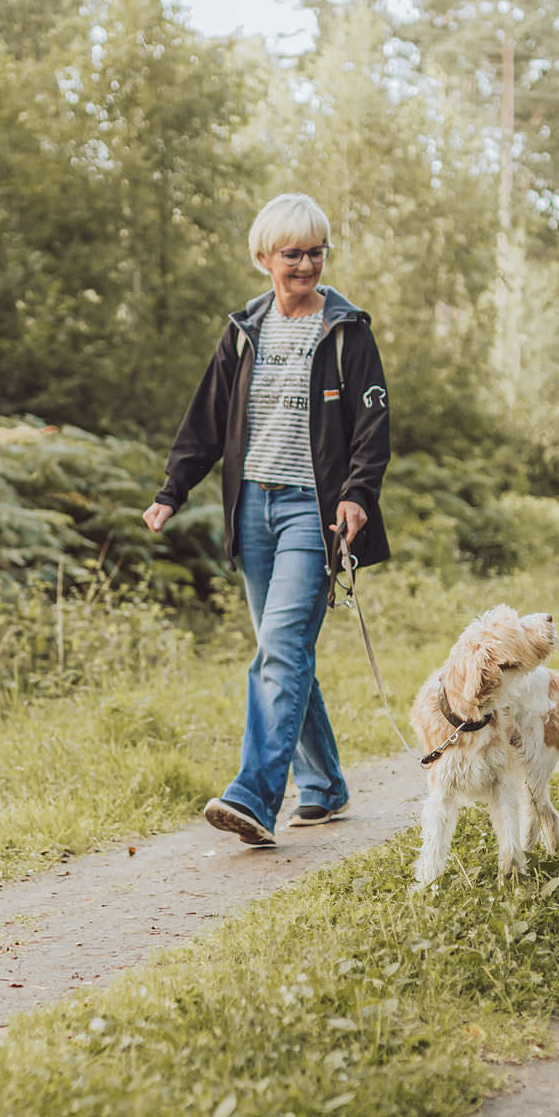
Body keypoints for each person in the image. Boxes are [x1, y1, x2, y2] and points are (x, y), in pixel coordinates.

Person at [143, 193, 391, 847]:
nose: (305, 263)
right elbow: (206, 418)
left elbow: (372, 425)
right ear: (264, 258)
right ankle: (326, 784)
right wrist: (173, 488)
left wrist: (357, 494)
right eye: (292, 253)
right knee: (286, 651)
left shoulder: (347, 331)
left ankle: (253, 795)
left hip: (314, 512)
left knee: (279, 650)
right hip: (252, 506)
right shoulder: (244, 329)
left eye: (316, 251)